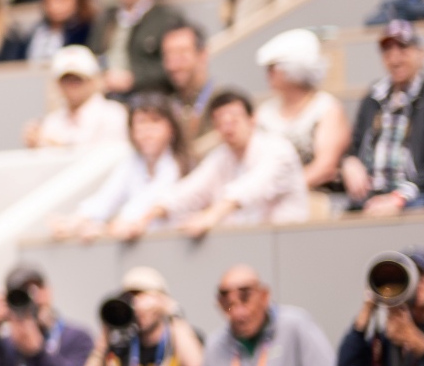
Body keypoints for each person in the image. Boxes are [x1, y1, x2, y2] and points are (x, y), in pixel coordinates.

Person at [157, 89, 311, 237]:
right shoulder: (220, 156)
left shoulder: (278, 149)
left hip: (286, 241)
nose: (227, 127)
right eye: (220, 122)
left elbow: (250, 187)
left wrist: (210, 216)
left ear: (252, 119)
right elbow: (189, 189)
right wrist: (146, 218)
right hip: (244, 242)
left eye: (234, 119)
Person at [342, 20, 424, 213]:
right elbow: (354, 146)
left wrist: (400, 196)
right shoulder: (373, 97)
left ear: (421, 54)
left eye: (403, 48)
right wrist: (349, 162)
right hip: (368, 197)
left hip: (418, 195)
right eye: (387, 51)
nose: (394, 58)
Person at [196, 267, 338, 366]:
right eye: (229, 305)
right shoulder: (215, 344)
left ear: (264, 296)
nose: (238, 313)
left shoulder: (295, 325)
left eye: (245, 299)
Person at [59, 93, 191, 240]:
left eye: (155, 121)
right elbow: (105, 199)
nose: (147, 131)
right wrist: (74, 222)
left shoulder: (179, 165)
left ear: (172, 128)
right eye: (141, 122)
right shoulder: (131, 163)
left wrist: (105, 229)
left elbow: (142, 210)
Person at [81, 265, 200, 366]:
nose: (136, 304)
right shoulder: (122, 347)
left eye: (141, 295)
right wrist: (105, 338)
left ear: (162, 299)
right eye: (129, 298)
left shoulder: (181, 338)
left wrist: (174, 312)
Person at [250, 30, 349, 195]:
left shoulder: (326, 108)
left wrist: (283, 191)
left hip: (315, 197)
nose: (268, 74)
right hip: (268, 199)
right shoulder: (264, 113)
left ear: (293, 69)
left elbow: (325, 167)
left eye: (273, 68)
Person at [28, 44, 129, 149]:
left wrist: (58, 146)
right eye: (65, 80)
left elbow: (108, 158)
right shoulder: (51, 122)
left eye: (78, 80)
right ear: (58, 84)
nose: (71, 86)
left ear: (93, 80)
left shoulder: (114, 114)